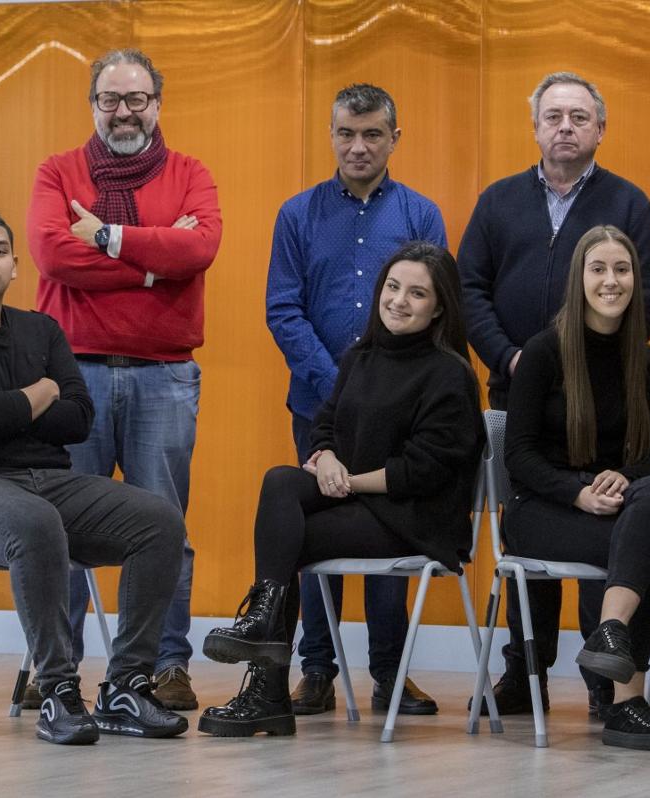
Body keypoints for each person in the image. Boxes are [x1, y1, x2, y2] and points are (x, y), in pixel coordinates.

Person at [0, 202, 189, 745]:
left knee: (160, 521)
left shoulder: (41, 330)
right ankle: (57, 690)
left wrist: (21, 406)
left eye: (0, 252)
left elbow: (77, 419)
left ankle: (125, 686)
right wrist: (41, 392)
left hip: (43, 480)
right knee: (33, 522)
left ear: (15, 267)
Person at [198, 242, 483, 737]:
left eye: (416, 294)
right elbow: (325, 424)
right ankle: (266, 620)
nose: (398, 300)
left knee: (289, 542)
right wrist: (326, 457)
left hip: (414, 517)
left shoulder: (450, 374)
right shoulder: (360, 356)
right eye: (393, 287)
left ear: (439, 307)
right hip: (359, 498)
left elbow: (425, 470)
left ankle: (265, 691)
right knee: (280, 481)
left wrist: (347, 481)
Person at [459, 70, 650, 717]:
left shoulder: (628, 203)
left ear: (600, 128)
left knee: (627, 517)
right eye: (555, 116)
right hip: (521, 380)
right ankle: (527, 671)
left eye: (580, 116)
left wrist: (600, 361)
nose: (567, 127)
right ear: (536, 126)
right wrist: (517, 357)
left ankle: (605, 674)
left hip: (609, 390)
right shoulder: (498, 202)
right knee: (563, 526)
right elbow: (469, 290)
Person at [26, 48, 222, 710]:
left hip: (163, 377)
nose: (124, 112)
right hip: (70, 376)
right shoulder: (57, 171)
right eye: (111, 99)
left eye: (137, 99)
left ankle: (164, 665)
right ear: (93, 106)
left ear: (158, 105)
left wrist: (105, 237)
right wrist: (149, 260)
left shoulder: (192, 173)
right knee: (56, 527)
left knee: (165, 524)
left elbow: (199, 250)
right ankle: (55, 667)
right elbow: (54, 254)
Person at [266, 83, 448, 716]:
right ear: (332, 134)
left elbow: (432, 310)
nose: (359, 145)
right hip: (317, 407)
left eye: (373, 133)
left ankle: (390, 672)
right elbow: (283, 310)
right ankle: (315, 670)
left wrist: (380, 391)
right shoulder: (298, 214)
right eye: (346, 132)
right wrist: (337, 387)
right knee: (315, 535)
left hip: (400, 411)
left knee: (386, 532)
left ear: (395, 138)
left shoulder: (421, 216)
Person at [503, 226, 650, 750]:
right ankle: (624, 698)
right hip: (542, 509)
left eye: (622, 270)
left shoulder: (645, 361)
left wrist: (624, 478)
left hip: (616, 505)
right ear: (578, 279)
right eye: (598, 269)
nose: (611, 281)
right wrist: (577, 492)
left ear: (635, 280)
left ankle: (608, 637)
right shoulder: (543, 352)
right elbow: (519, 456)